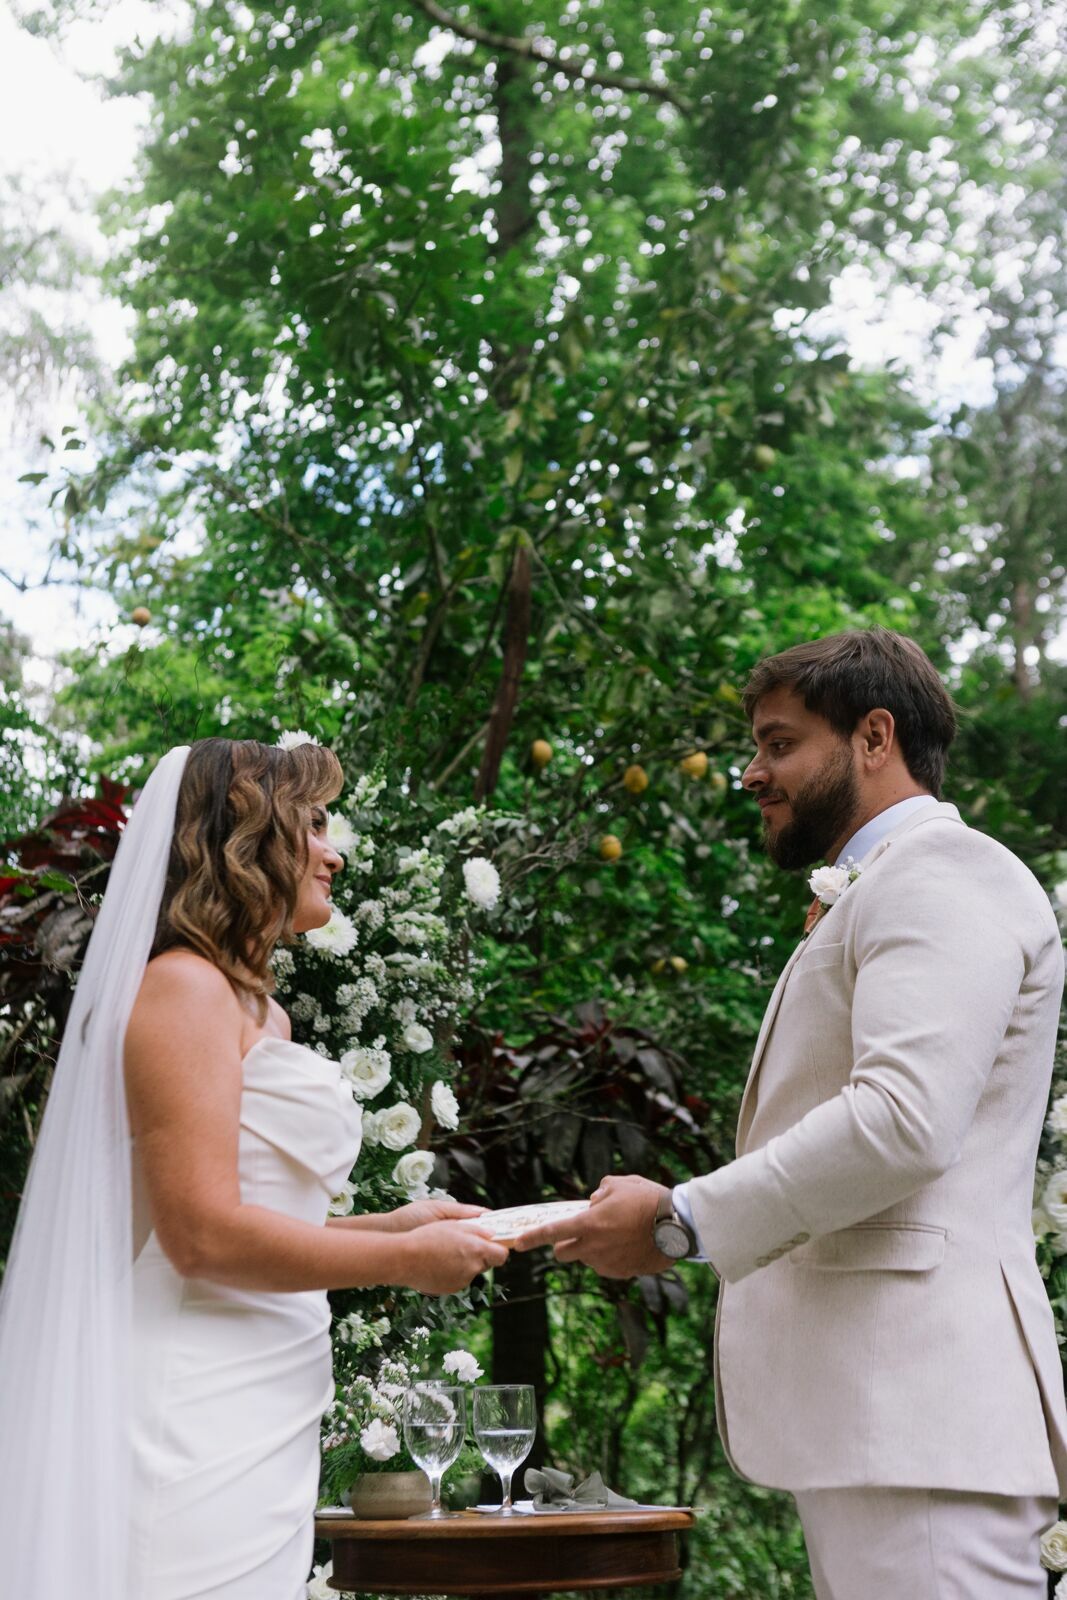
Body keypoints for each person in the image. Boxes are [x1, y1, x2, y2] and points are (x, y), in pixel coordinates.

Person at [517, 628, 1067, 1599]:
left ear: (872, 737)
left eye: (777, 744)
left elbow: (900, 1119)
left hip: (920, 1421)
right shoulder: (879, 884)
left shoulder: (943, 872)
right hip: (881, 1428)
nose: (750, 771)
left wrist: (677, 1219)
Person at [0, 738, 507, 1600]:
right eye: (312, 826)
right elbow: (197, 1236)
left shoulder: (259, 1012)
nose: (334, 852)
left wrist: (392, 1225)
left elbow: (255, 1212)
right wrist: (402, 1263)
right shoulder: (183, 990)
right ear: (248, 836)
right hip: (192, 1394)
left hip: (268, 1390)